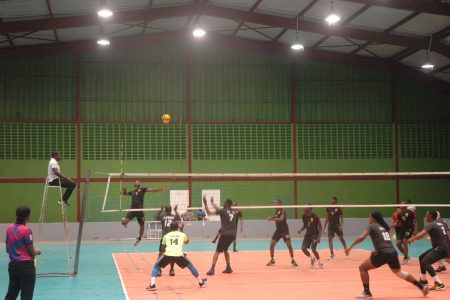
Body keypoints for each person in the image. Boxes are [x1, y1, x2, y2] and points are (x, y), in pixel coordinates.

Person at [346, 211, 428, 299]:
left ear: (373, 218)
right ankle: (421, 287)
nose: (369, 218)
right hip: (392, 252)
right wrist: (376, 250)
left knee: (362, 268)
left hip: (383, 253)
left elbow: (362, 237)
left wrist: (350, 247)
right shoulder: (383, 227)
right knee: (399, 273)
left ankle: (367, 292)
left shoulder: (372, 226)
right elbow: (384, 242)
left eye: (369, 217)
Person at [146, 222, 207, 291]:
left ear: (170, 228)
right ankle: (201, 282)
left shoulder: (166, 236)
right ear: (178, 227)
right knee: (190, 266)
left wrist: (165, 255)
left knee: (156, 266)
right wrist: (182, 230)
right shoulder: (182, 234)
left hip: (168, 254)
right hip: (179, 255)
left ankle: (152, 285)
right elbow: (187, 242)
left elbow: (163, 248)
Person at [5, 205, 42, 300]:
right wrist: (36, 252)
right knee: (26, 296)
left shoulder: (9, 229)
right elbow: (31, 251)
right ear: (28, 216)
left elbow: (8, 249)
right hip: (26, 267)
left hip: (13, 267)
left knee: (11, 295)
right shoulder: (26, 230)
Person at [408, 210, 450, 291]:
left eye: (426, 215)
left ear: (430, 216)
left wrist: (412, 238)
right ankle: (423, 280)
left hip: (440, 248)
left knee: (426, 262)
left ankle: (439, 284)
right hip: (443, 248)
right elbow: (449, 238)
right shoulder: (442, 224)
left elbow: (420, 235)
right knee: (421, 257)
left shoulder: (431, 224)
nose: (425, 216)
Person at [121, 180, 167, 246]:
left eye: (138, 181)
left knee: (142, 226)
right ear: (134, 184)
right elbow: (125, 194)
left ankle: (139, 239)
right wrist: (124, 190)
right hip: (133, 210)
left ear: (139, 184)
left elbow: (152, 190)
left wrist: (160, 189)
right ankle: (125, 223)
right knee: (123, 221)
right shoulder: (132, 192)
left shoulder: (143, 189)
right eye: (136, 181)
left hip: (140, 210)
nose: (137, 182)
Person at [203, 197, 241, 275]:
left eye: (224, 202)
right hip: (233, 235)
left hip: (225, 234)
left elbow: (209, 213)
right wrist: (213, 203)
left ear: (227, 203)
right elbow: (240, 213)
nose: (223, 203)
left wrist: (205, 203)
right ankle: (228, 267)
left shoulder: (223, 211)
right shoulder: (234, 211)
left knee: (217, 251)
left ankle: (212, 269)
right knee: (225, 250)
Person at [266, 199, 298, 267]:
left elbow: (281, 219)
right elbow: (276, 216)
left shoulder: (283, 210)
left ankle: (292, 260)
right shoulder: (276, 210)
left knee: (289, 245)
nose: (275, 204)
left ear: (280, 203)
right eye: (274, 203)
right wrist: (271, 217)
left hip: (284, 231)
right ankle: (272, 259)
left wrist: (272, 219)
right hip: (278, 231)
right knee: (272, 245)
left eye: (276, 203)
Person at [155, 204, 181, 276]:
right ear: (171, 209)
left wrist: (160, 210)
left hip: (164, 237)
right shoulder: (173, 216)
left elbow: (156, 216)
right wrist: (176, 211)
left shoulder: (162, 216)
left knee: (161, 253)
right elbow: (179, 219)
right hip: (172, 238)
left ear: (165, 210)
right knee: (172, 254)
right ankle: (172, 270)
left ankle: (159, 270)